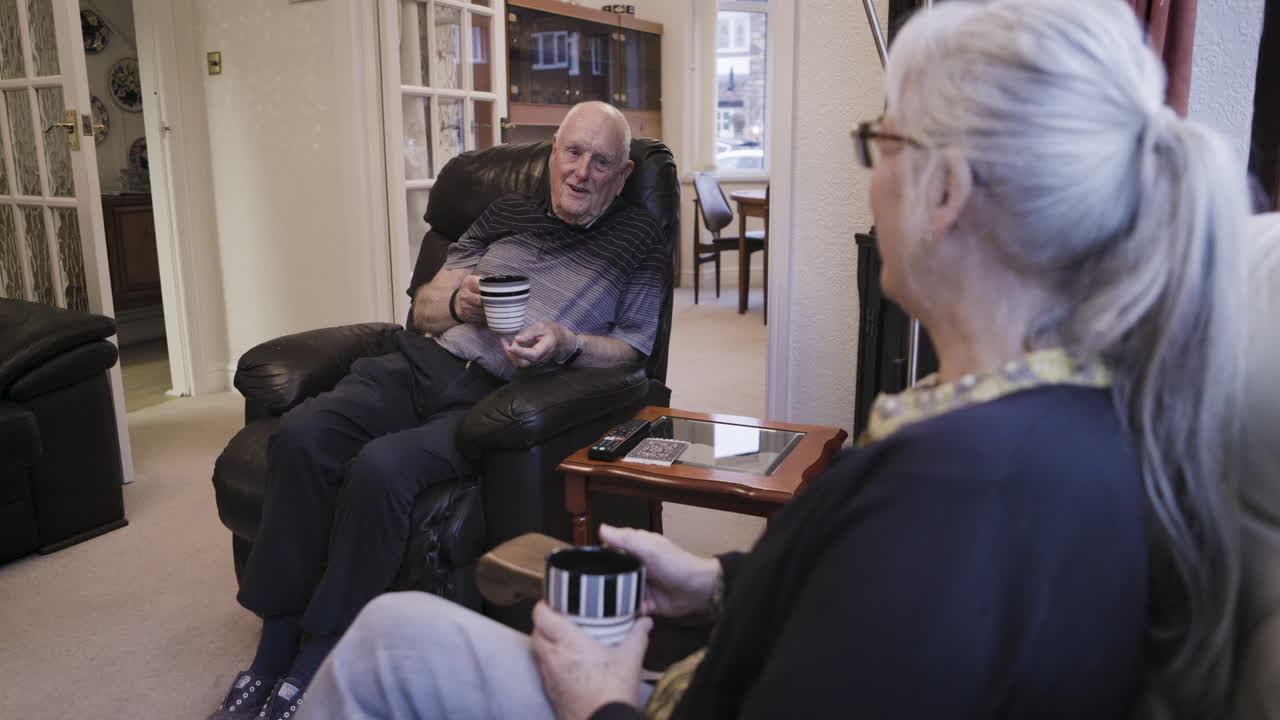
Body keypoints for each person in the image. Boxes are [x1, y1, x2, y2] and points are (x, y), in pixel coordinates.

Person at [298, 1, 1253, 718]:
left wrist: (599, 696)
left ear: (946, 191)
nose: (869, 170)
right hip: (709, 650)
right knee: (398, 628)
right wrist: (720, 586)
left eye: (881, 138)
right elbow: (866, 618)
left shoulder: (959, 497)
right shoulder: (1054, 425)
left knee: (389, 645)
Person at [209, 101, 670, 720]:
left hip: (499, 398)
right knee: (301, 434)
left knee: (382, 468)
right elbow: (423, 309)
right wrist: (460, 303)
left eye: (602, 161)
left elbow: (634, 351)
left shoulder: (639, 239)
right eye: (572, 152)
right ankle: (274, 643)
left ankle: (315, 654)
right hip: (419, 363)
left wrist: (569, 343)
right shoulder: (505, 213)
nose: (582, 171)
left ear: (621, 176)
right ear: (553, 152)